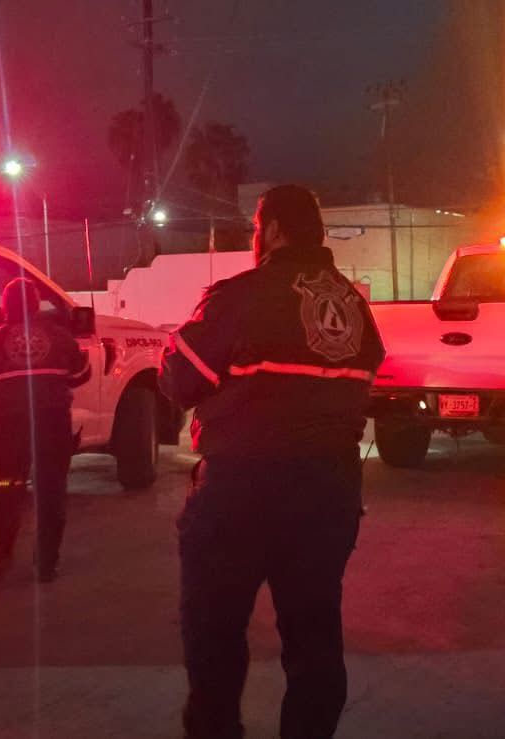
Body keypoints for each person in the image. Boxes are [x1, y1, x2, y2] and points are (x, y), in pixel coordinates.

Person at [160, 184, 385, 739]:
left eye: (257, 228)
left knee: (213, 634)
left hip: (242, 491)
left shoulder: (242, 296)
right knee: (314, 640)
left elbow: (179, 380)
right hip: (329, 493)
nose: (256, 238)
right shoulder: (355, 308)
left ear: (276, 230)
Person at [0, 278, 90, 583]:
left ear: (4, 308)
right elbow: (81, 375)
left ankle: (3, 555)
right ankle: (46, 564)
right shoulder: (60, 337)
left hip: (8, 432)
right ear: (36, 306)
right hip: (53, 429)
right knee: (51, 492)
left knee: (6, 490)